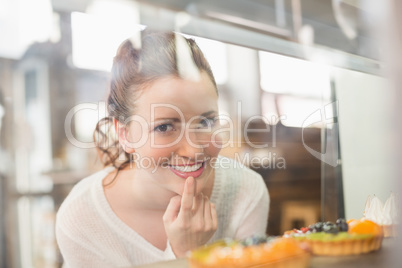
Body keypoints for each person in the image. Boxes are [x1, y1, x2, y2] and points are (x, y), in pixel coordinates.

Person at [56, 29, 269, 267]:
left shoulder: (245, 192)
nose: (194, 150)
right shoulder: (82, 216)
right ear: (125, 134)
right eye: (165, 127)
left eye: (206, 122)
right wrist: (185, 254)